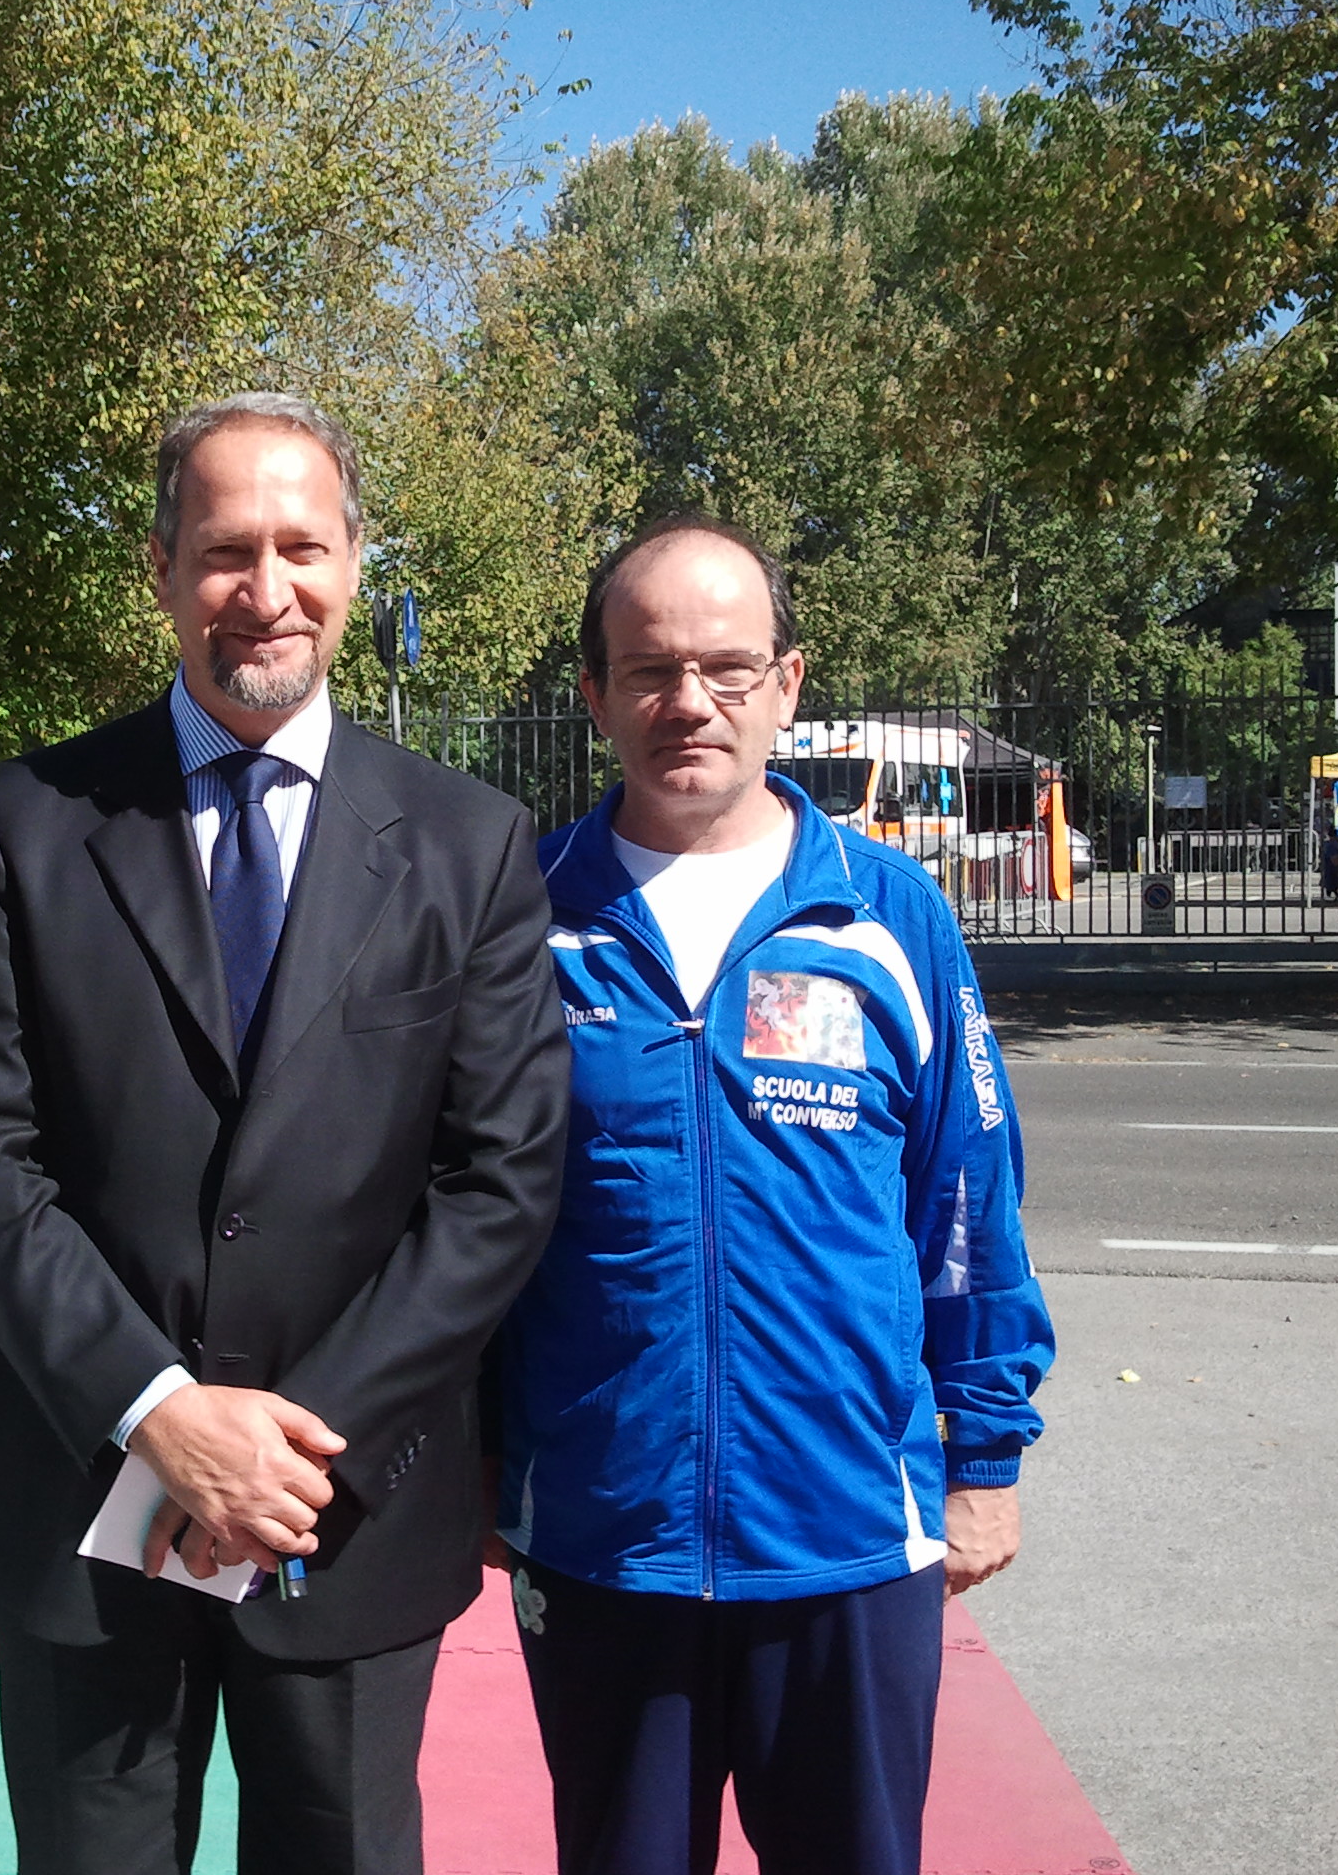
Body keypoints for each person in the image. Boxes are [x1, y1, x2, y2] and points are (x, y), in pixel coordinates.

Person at [0, 392, 571, 1875]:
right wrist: (158, 1412)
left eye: (300, 547)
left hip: (347, 1510)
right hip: (86, 1502)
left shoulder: (468, 842)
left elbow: (500, 1180)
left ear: (353, 563)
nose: (264, 589)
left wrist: (287, 1455)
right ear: (159, 569)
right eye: (223, 551)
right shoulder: (25, 822)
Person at [495, 514, 1056, 1875]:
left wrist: (985, 1459)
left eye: (727, 667)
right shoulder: (516, 917)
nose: (688, 702)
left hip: (847, 1533)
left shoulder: (887, 915)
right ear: (595, 695)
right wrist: (469, 1469)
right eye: (648, 670)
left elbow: (966, 1204)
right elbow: (461, 1212)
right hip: (604, 1536)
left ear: (786, 685)